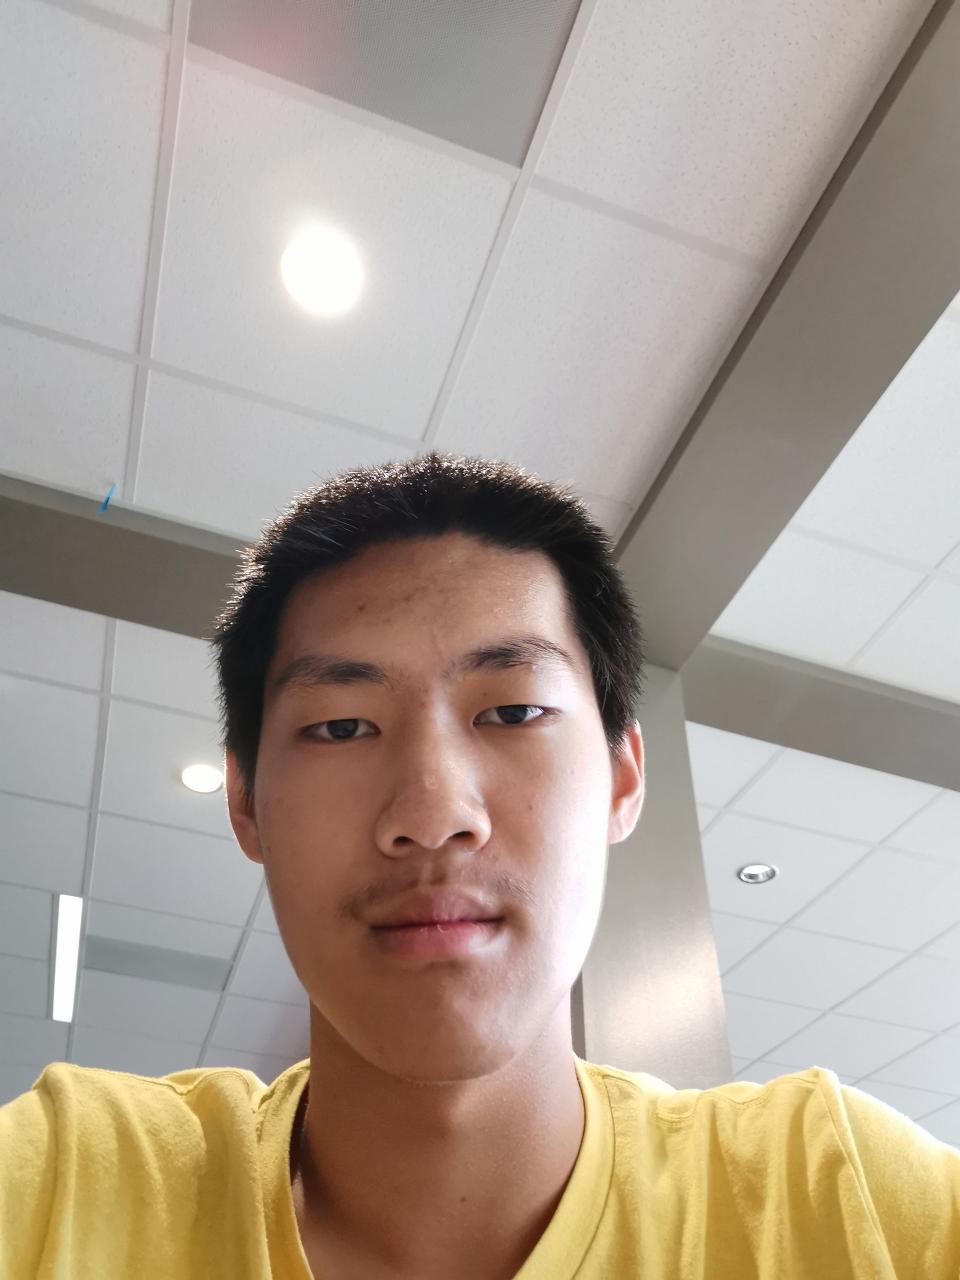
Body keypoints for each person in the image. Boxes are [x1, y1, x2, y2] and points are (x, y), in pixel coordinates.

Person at [1, 451, 958, 1278]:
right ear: (246, 800)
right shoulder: (64, 1185)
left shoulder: (838, 1198)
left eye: (512, 711)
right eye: (341, 726)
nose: (431, 815)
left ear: (623, 777)